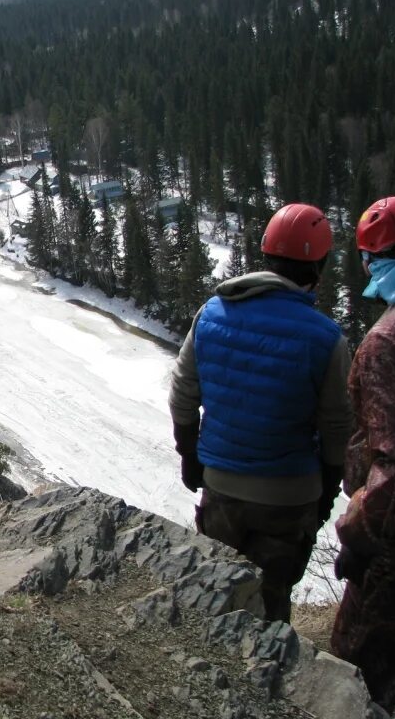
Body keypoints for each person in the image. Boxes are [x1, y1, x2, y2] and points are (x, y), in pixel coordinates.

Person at [168, 203, 352, 622]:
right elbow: (336, 424)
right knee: (270, 601)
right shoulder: (326, 339)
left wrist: (190, 455)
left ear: (266, 253)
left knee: (217, 591)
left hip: (221, 487)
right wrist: (327, 485)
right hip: (289, 495)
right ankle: (268, 677)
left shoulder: (212, 314)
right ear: (318, 268)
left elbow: (182, 392)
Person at [331, 195, 395, 713]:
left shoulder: (385, 344)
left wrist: (358, 536)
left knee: (354, 668)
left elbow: (392, 466)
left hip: (390, 540)